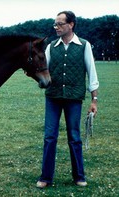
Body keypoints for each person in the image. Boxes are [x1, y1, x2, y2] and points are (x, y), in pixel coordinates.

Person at [36, 11, 99, 188]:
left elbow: (92, 74)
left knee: (74, 137)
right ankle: (45, 177)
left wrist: (94, 100)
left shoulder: (84, 45)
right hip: (53, 98)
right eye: (55, 24)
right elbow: (43, 68)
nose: (56, 27)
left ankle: (79, 176)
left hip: (74, 99)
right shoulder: (50, 47)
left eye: (60, 24)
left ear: (70, 25)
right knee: (49, 137)